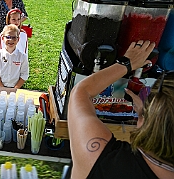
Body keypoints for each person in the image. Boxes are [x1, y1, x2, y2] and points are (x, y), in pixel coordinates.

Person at [68, 40, 174, 178]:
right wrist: (148, 115)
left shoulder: (99, 156)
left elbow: (81, 92)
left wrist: (127, 63)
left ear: (143, 121)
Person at [0, 24, 29, 88]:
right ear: (3, 38)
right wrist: (1, 87)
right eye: (8, 37)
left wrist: (15, 88)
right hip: (1, 86)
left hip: (16, 87)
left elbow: (24, 75)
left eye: (14, 37)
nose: (11, 40)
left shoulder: (23, 57)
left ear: (18, 39)